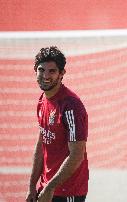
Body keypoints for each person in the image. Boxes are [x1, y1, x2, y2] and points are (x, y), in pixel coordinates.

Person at [25, 46, 89, 202]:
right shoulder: (42, 100)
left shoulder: (71, 105)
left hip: (68, 191)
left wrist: (50, 188)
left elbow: (76, 155)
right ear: (35, 71)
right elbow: (42, 144)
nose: (45, 75)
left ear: (62, 74)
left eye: (52, 71)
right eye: (41, 70)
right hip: (47, 187)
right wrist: (32, 185)